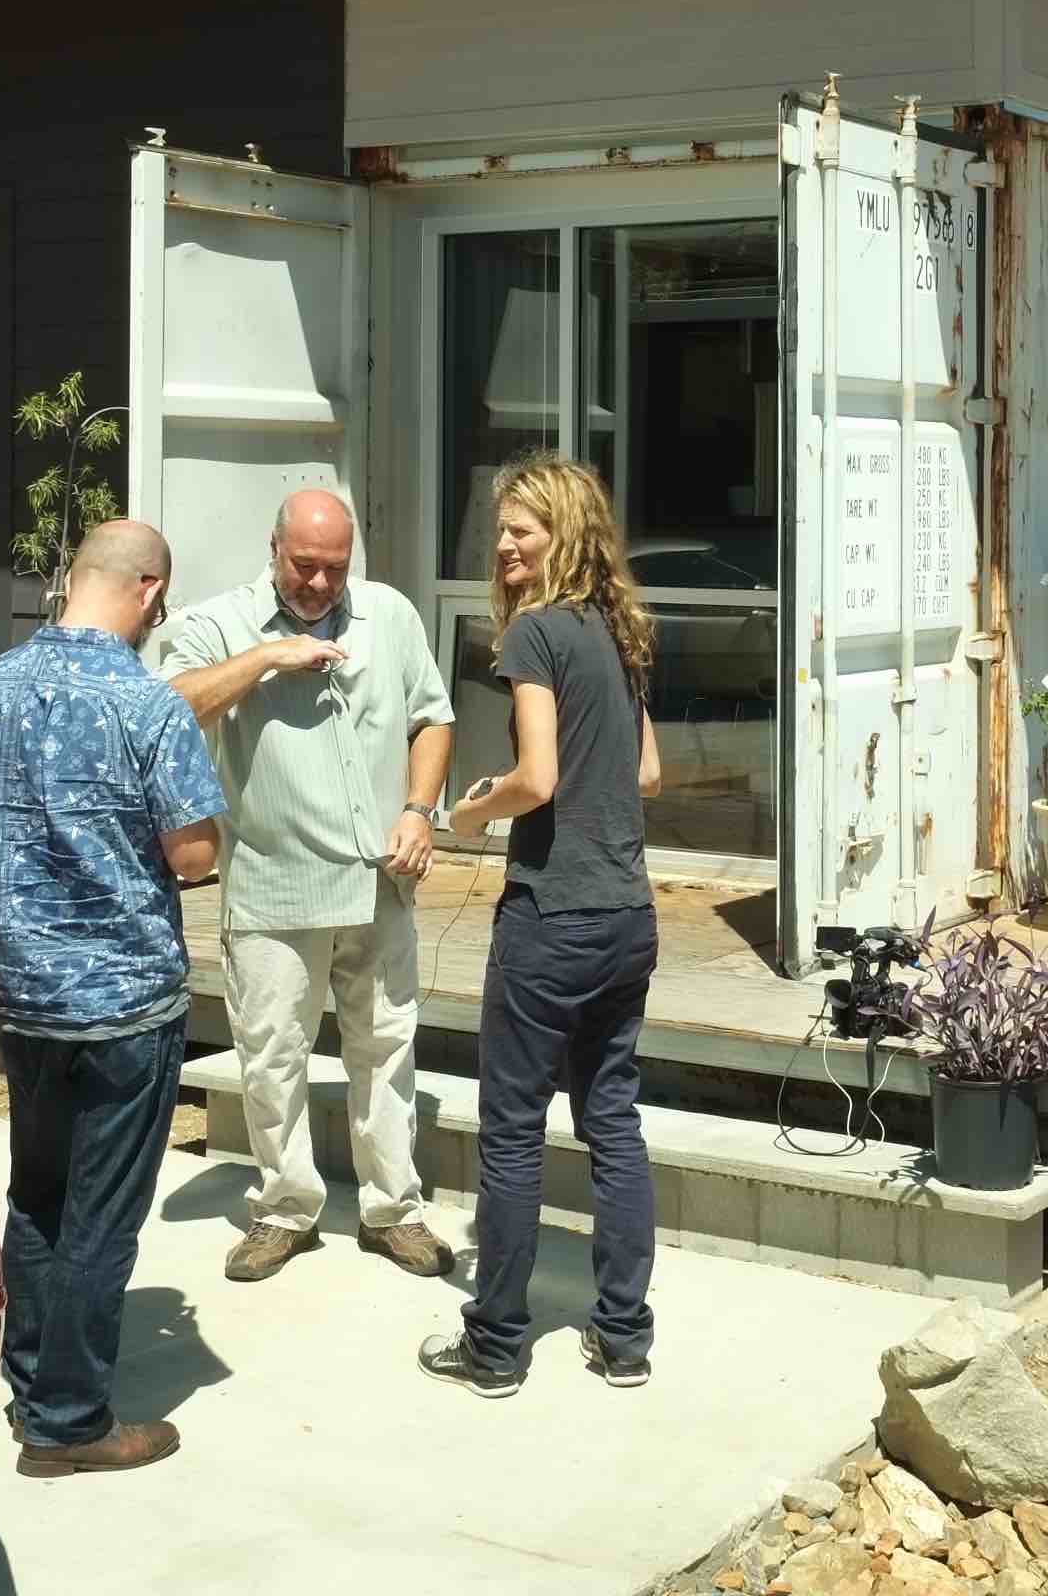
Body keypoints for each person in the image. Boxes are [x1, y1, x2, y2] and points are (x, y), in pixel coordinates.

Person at [0, 519, 225, 1478]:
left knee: (41, 1196)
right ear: (149, 593)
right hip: (127, 1002)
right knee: (101, 1214)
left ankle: (28, 1383)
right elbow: (194, 855)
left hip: (24, 994)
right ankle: (70, 1422)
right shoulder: (149, 705)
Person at [160, 490, 458, 1283]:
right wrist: (267, 658)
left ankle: (394, 1210)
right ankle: (286, 1209)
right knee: (271, 1055)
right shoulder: (221, 624)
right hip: (275, 883)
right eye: (305, 567)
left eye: (335, 568)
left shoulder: (389, 615)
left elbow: (434, 718)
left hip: (381, 880)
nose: (321, 585)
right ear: (272, 548)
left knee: (387, 1049)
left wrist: (420, 811)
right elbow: (168, 706)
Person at [420, 455, 665, 1399]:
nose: (508, 545)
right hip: (627, 915)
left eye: (525, 528)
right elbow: (645, 775)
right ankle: (624, 1338)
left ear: (567, 530)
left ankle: (494, 1348)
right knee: (612, 1119)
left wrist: (475, 811)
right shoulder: (621, 631)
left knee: (512, 1130)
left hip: (550, 915)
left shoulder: (533, 636)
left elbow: (538, 779)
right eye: (503, 530)